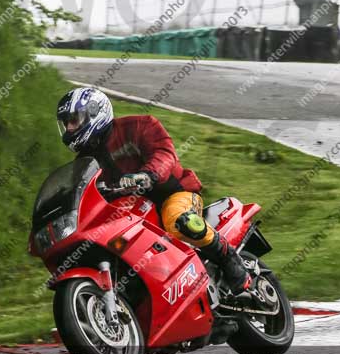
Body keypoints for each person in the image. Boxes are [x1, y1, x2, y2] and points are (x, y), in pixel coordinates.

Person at [56, 86, 252, 296]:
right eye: (66, 123)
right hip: (130, 214)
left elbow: (165, 153)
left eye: (73, 121)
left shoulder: (138, 126)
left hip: (172, 194)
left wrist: (148, 174)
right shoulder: (85, 163)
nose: (69, 128)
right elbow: (83, 193)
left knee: (179, 221)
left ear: (94, 112)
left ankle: (230, 260)